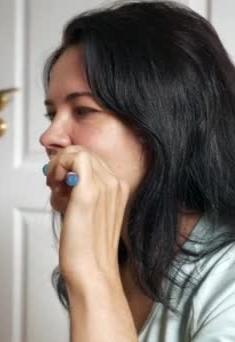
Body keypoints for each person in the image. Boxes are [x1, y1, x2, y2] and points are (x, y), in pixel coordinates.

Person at [40, 1, 235, 341]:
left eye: (83, 110)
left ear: (168, 122)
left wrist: (92, 276)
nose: (49, 137)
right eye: (51, 114)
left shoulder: (227, 283)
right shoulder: (124, 252)